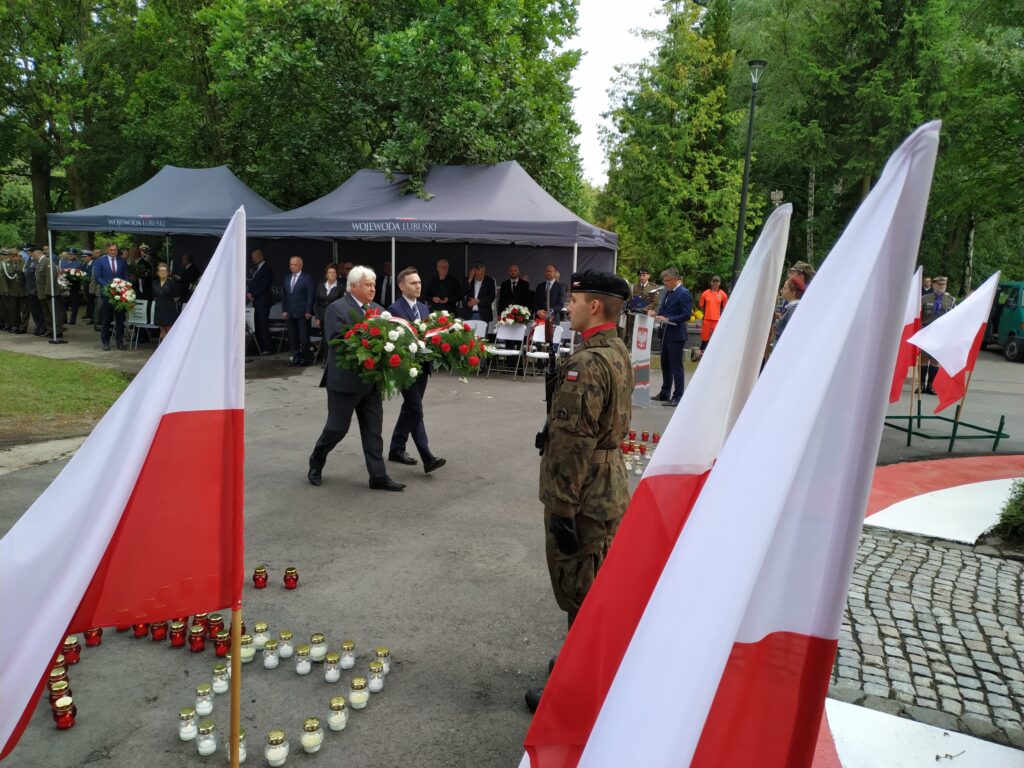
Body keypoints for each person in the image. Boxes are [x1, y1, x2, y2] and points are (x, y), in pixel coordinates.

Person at [526, 269, 632, 713]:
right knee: (595, 583)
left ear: (594, 306)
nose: (567, 307)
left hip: (584, 492)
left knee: (581, 589)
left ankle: (578, 689)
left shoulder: (586, 363)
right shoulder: (616, 351)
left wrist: (561, 508)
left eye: (574, 300)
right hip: (609, 484)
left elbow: (573, 444)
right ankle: (581, 665)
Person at [308, 265, 405, 492]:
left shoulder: (380, 310)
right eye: (367, 285)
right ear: (353, 287)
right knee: (336, 429)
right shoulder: (337, 308)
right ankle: (316, 460)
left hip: (371, 382)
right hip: (344, 383)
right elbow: (336, 341)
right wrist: (367, 341)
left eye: (373, 284)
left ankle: (378, 476)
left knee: (373, 431)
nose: (372, 289)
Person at [387, 267, 447, 473]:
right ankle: (427, 456)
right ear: (401, 286)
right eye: (413, 283)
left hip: (422, 367)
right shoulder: (394, 309)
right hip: (405, 368)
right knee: (415, 409)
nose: (418, 286)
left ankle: (396, 447)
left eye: (419, 282)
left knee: (410, 408)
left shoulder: (423, 308)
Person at [649, 267, 692, 406]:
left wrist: (669, 318)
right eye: (664, 280)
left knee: (676, 367)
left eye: (667, 280)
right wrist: (656, 314)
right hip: (666, 334)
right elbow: (664, 309)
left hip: (676, 335)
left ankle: (678, 397)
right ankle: (664, 393)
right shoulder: (668, 292)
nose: (665, 283)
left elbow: (686, 315)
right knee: (665, 365)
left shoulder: (683, 293)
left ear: (674, 279)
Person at [919, 276, 956, 395]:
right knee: (924, 359)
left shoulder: (951, 300)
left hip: (941, 334)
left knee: (935, 361)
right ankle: (921, 385)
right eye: (939, 284)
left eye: (943, 284)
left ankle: (931, 386)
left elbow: (954, 318)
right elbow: (918, 315)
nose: (941, 286)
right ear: (933, 285)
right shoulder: (924, 298)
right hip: (926, 331)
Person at [94, 242, 129, 350]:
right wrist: (110, 287)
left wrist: (123, 287)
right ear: (107, 250)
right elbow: (97, 277)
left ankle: (119, 341)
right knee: (106, 319)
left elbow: (125, 276)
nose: (113, 252)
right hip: (107, 294)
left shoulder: (122, 261)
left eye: (115, 250)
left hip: (120, 295)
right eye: (111, 250)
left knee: (120, 319)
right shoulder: (100, 261)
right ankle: (105, 342)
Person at [281, 255, 315, 366]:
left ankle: (305, 358)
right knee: (292, 337)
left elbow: (310, 296)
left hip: (302, 313)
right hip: (290, 313)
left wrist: (308, 311)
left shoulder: (307, 278)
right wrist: (284, 310)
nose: (292, 266)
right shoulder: (287, 277)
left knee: (304, 337)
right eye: (291, 264)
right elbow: (284, 295)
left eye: (295, 264)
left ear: (300, 265)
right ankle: (296, 357)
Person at [246, 249, 273, 354]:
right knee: (256, 324)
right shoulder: (255, 269)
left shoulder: (267, 268)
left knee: (262, 323)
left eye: (255, 257)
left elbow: (265, 286)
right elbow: (253, 283)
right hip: (256, 301)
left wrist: (253, 295)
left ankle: (268, 348)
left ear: (261, 257)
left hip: (263, 301)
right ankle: (259, 347)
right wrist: (249, 293)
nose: (253, 259)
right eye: (252, 257)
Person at [36, 249, 64, 339]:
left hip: (50, 292)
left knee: (54, 313)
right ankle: (50, 330)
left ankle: (58, 331)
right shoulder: (41, 263)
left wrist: (49, 292)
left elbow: (49, 278)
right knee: (47, 313)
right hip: (43, 292)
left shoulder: (47, 262)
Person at [696, 275, 728, 357]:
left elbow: (725, 307)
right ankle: (702, 352)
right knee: (704, 336)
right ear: (711, 282)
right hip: (707, 319)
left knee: (717, 337)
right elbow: (701, 306)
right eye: (714, 281)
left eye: (717, 281)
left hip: (717, 320)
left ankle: (716, 353)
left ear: (719, 283)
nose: (715, 283)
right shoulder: (705, 293)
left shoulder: (723, 295)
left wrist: (722, 318)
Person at [773, 275, 805, 345]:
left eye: (784, 288)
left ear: (793, 292)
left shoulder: (794, 307)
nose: (781, 290)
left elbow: (791, 330)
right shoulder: (792, 306)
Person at [151, 262, 179, 342]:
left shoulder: (172, 283)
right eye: (161, 270)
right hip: (159, 308)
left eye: (164, 270)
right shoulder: (155, 283)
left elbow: (177, 295)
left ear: (168, 272)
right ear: (157, 272)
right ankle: (163, 348)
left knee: (169, 330)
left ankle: (170, 347)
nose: (162, 272)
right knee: (162, 330)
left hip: (169, 309)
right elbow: (153, 295)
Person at [314, 264, 342, 332]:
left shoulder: (341, 287)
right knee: (325, 337)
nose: (332, 274)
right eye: (330, 272)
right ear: (326, 275)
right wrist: (317, 318)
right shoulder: (321, 285)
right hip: (322, 317)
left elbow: (342, 304)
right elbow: (316, 303)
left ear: (336, 275)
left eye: (334, 272)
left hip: (335, 317)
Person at [59, 249, 84, 324]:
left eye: (72, 254)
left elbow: (81, 274)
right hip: (64, 284)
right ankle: (64, 318)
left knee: (74, 303)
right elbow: (60, 272)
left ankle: (73, 319)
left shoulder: (79, 263)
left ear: (75, 255)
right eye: (69, 254)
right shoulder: (62, 262)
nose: (70, 255)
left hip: (74, 285)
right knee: (62, 302)